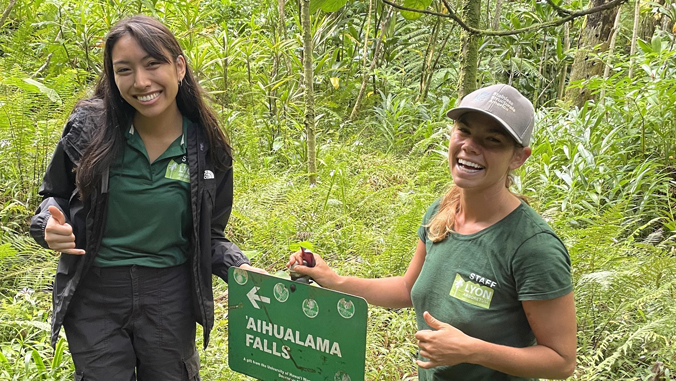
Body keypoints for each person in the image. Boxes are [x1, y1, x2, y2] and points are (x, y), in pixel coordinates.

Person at [287, 84, 576, 380]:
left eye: (493, 140)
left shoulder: (533, 247)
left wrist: (473, 350)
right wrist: (335, 281)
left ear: (519, 157)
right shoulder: (443, 211)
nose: (470, 146)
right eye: (464, 130)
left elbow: (561, 361)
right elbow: (407, 289)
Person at [30, 15, 261, 381]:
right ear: (112, 76)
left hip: (170, 295)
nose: (141, 82)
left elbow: (210, 234)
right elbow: (53, 196)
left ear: (179, 66)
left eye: (153, 64)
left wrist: (242, 270)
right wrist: (48, 224)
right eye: (125, 70)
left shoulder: (206, 147)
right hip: (96, 293)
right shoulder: (90, 129)